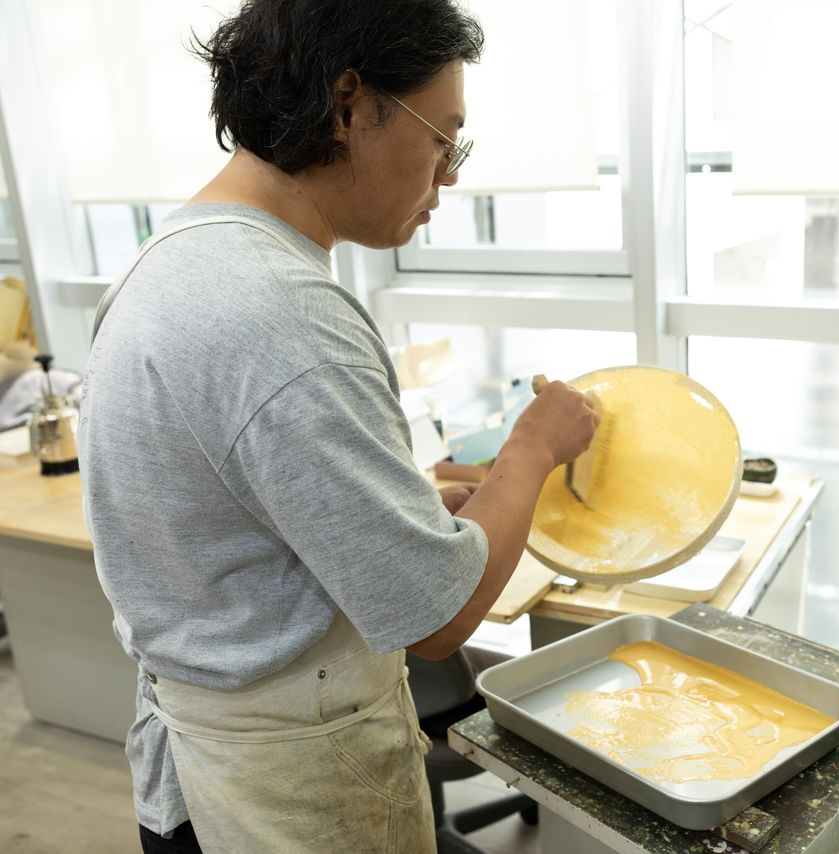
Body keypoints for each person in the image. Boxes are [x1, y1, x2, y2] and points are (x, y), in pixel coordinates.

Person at [79, 1, 596, 851]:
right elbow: (439, 617)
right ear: (349, 104)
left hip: (198, 770)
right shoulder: (283, 312)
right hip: (285, 791)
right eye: (444, 137)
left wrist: (403, 497)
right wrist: (532, 449)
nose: (451, 174)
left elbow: (229, 504)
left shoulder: (167, 261)